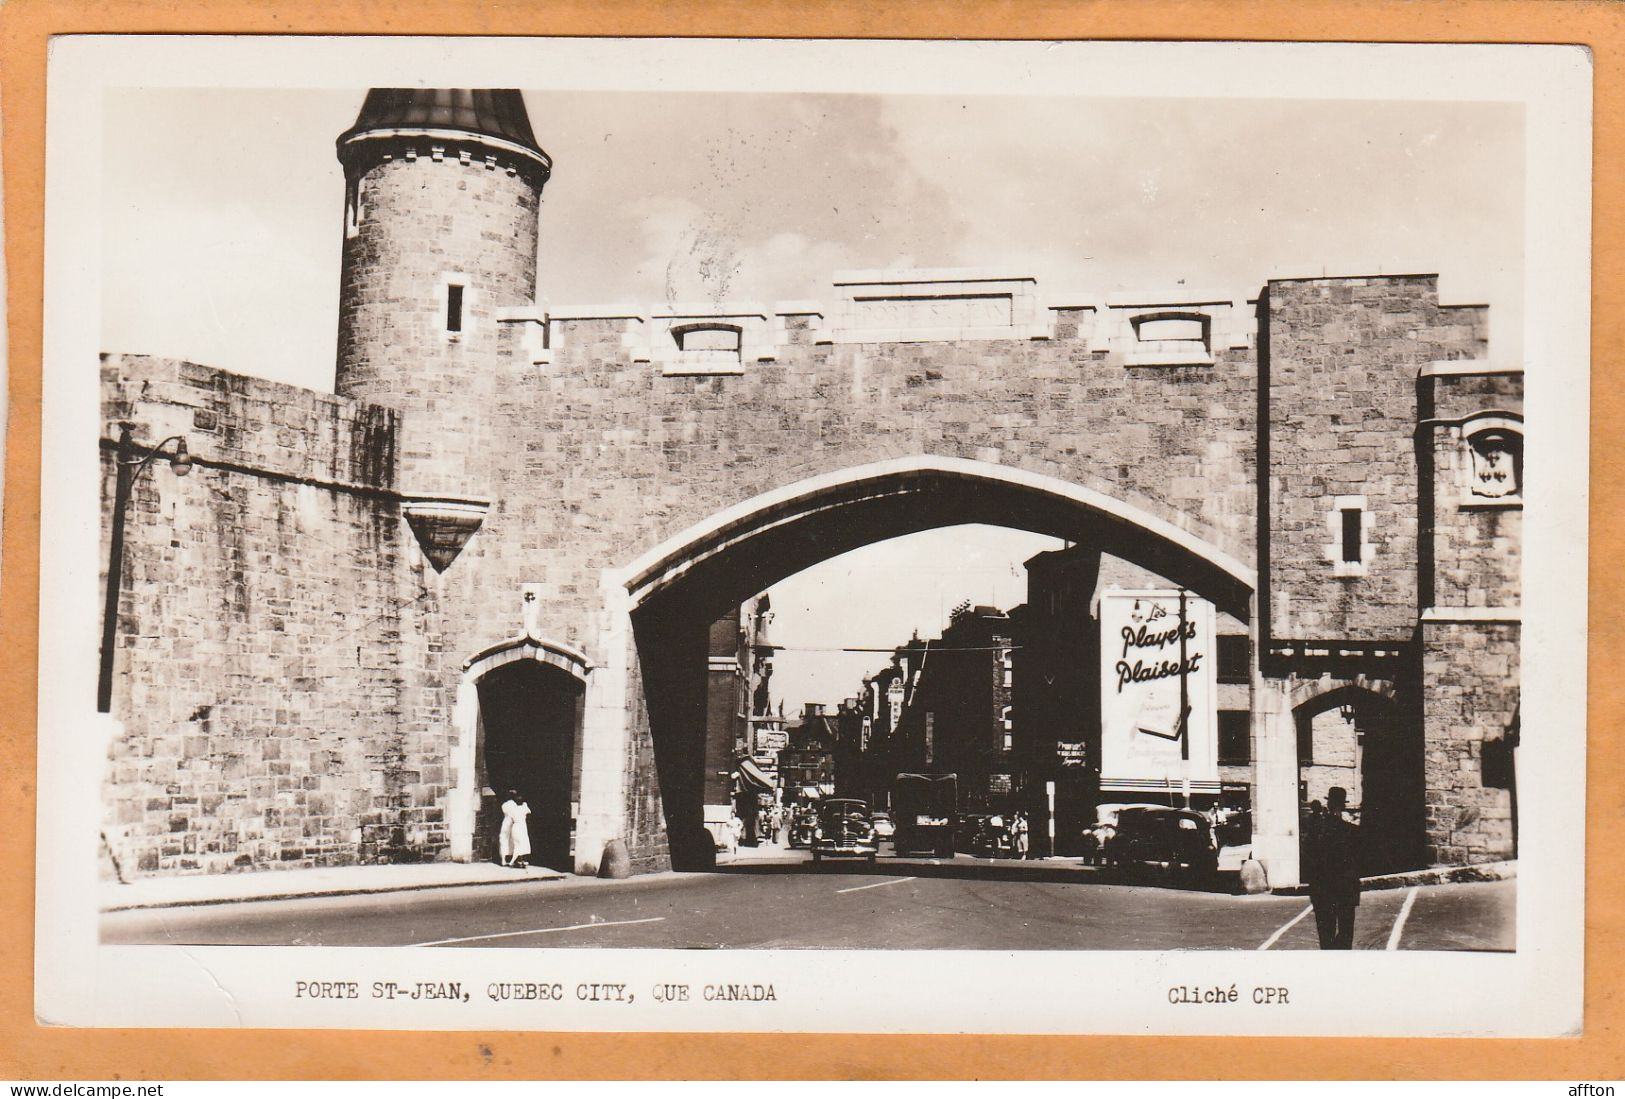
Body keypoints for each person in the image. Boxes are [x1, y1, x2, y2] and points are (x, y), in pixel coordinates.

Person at [1305, 787, 1361, 949]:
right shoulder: (1351, 830)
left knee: (1325, 937)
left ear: (1328, 804)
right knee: (1345, 934)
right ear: (1342, 805)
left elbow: (1308, 855)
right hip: (1345, 888)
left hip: (1323, 889)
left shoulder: (1316, 829)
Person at [499, 789, 532, 869]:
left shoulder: (504, 805)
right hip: (515, 825)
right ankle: (515, 860)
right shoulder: (516, 806)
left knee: (504, 840)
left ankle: (504, 860)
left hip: (507, 824)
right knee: (517, 843)